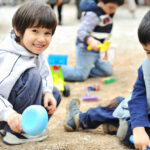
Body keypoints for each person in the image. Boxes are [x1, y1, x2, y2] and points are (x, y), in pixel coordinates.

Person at [64, 10, 150, 150]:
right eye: (148, 52)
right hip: (142, 111)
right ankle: (81, 118)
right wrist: (138, 128)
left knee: (125, 110)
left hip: (141, 110)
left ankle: (118, 112)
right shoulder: (146, 67)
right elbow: (138, 97)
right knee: (129, 127)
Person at [0, 1, 62, 145]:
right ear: (18, 30)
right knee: (32, 75)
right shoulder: (8, 58)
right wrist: (9, 115)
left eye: (47, 33)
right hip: (6, 115)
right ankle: (15, 132)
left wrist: (47, 92)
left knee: (54, 93)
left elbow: (45, 73)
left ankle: (30, 129)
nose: (41, 39)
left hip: (15, 112)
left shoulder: (35, 51)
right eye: (35, 31)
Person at [62, 0, 124, 81]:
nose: (113, 11)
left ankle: (85, 71)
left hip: (97, 51)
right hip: (86, 49)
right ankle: (54, 70)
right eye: (111, 7)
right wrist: (91, 41)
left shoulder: (106, 12)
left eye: (115, 9)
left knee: (108, 70)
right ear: (101, 2)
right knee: (80, 75)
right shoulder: (93, 14)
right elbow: (81, 31)